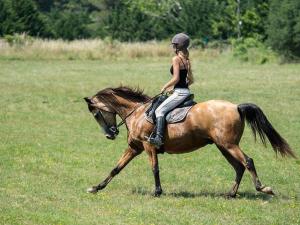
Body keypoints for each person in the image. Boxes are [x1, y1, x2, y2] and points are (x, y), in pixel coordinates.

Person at [149, 33, 194, 147]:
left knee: (159, 111)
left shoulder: (176, 59)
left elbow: (176, 78)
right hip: (185, 92)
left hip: (180, 93)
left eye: (174, 45)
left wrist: (165, 86)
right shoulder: (187, 60)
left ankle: (158, 138)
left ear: (178, 46)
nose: (173, 46)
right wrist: (174, 89)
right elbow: (191, 80)